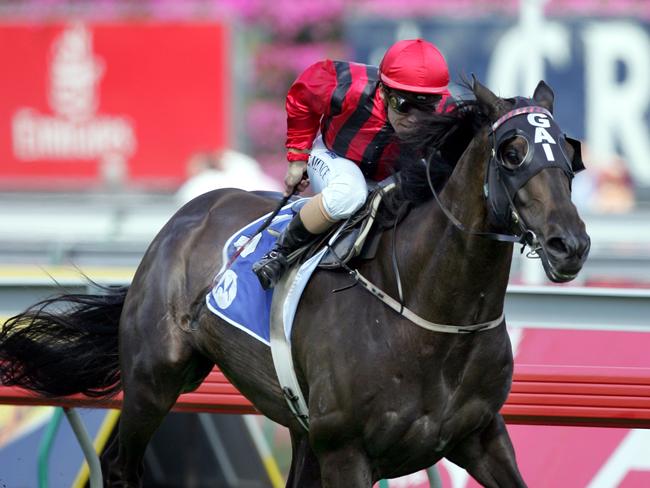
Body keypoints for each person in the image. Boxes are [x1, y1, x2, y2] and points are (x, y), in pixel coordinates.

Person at [252, 39, 452, 289]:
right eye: (403, 105)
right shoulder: (346, 84)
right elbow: (302, 95)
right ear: (383, 90)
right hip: (334, 156)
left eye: (426, 107)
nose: (414, 119)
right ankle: (281, 252)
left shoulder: (447, 111)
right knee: (351, 192)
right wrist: (297, 158)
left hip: (389, 178)